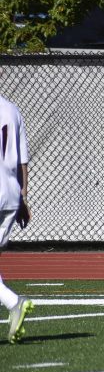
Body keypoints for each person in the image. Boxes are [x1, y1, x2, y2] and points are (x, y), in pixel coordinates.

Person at [0, 93, 33, 343]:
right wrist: (22, 197)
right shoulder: (12, 109)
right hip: (10, 192)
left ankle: (13, 302)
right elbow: (22, 161)